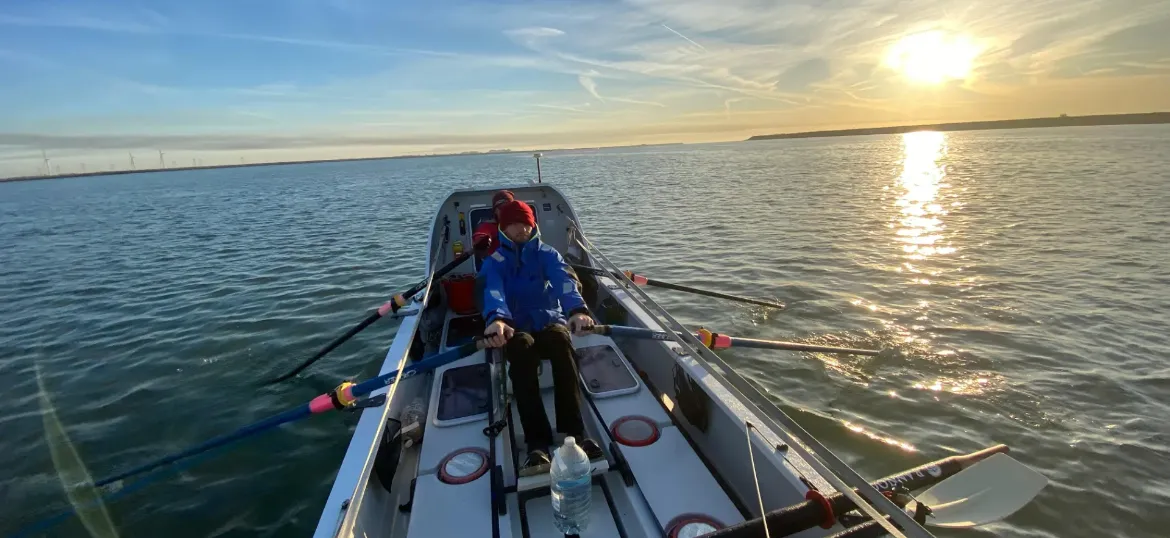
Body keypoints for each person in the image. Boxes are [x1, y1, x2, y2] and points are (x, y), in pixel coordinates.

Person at [479, 199, 603, 471]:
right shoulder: (495, 261)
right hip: (514, 325)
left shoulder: (548, 253)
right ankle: (537, 443)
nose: (520, 229)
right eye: (513, 224)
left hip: (548, 320)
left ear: (533, 224)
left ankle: (576, 433)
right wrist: (497, 318)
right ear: (503, 227)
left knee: (562, 342)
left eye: (525, 223)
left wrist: (577, 310)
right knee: (521, 351)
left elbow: (564, 280)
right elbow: (492, 290)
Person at [472, 190, 515, 257]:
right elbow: (481, 233)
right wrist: (481, 240)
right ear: (495, 211)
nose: (506, 212)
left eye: (509, 208)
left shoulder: (523, 225)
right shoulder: (489, 226)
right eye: (502, 208)